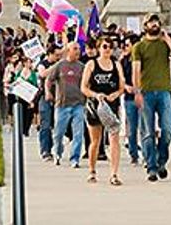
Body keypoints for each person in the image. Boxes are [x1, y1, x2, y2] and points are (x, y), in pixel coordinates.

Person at [132, 13, 171, 182]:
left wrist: (168, 40)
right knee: (148, 132)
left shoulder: (165, 46)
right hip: (147, 92)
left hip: (164, 91)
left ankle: (161, 161)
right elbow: (136, 71)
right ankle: (152, 166)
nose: (154, 24)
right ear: (145, 25)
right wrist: (137, 92)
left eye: (156, 22)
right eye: (151, 22)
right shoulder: (139, 47)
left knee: (168, 129)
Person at [81, 36, 125, 185]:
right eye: (104, 47)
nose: (107, 50)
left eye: (110, 47)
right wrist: (95, 95)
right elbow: (84, 87)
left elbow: (121, 86)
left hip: (111, 105)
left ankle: (114, 173)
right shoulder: (91, 64)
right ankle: (92, 170)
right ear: (99, 48)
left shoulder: (116, 64)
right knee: (96, 140)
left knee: (114, 138)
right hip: (95, 106)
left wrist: (116, 94)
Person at [46, 41, 85, 168]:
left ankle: (75, 158)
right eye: (75, 49)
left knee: (78, 133)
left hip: (78, 104)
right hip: (62, 105)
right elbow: (49, 79)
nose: (78, 51)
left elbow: (86, 83)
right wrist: (48, 92)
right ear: (68, 51)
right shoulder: (59, 66)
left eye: (78, 49)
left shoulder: (81, 67)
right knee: (58, 133)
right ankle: (57, 153)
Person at [119, 38, 140, 165]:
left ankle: (148, 154)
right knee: (132, 128)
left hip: (143, 96)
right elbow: (120, 78)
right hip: (129, 97)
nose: (124, 47)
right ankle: (134, 154)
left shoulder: (143, 59)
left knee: (145, 127)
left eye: (127, 45)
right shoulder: (123, 61)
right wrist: (126, 87)